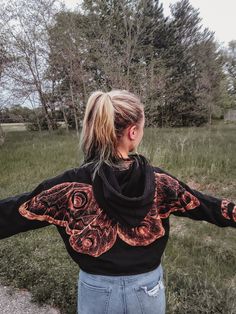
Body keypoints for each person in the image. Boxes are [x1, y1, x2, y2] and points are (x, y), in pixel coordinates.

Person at [0, 89, 235, 314]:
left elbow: (13, 213)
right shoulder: (160, 182)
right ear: (133, 132)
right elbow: (207, 206)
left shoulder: (67, 187)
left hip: (96, 291)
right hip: (147, 291)